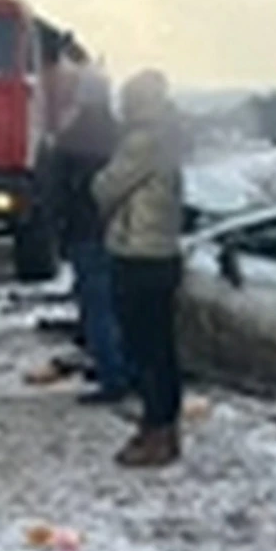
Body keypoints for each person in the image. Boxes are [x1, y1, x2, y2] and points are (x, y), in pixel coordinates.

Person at [93, 70, 187, 469]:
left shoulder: (142, 142)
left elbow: (105, 188)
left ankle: (156, 432)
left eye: (129, 100)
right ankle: (164, 428)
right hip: (162, 253)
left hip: (139, 255)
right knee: (161, 350)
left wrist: (99, 176)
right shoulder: (170, 137)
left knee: (146, 350)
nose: (124, 108)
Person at [50, 64, 131, 404]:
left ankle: (112, 378)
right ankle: (130, 371)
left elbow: (55, 193)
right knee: (124, 307)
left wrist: (60, 235)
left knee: (97, 309)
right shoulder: (123, 135)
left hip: (87, 234)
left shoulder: (70, 138)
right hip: (125, 234)